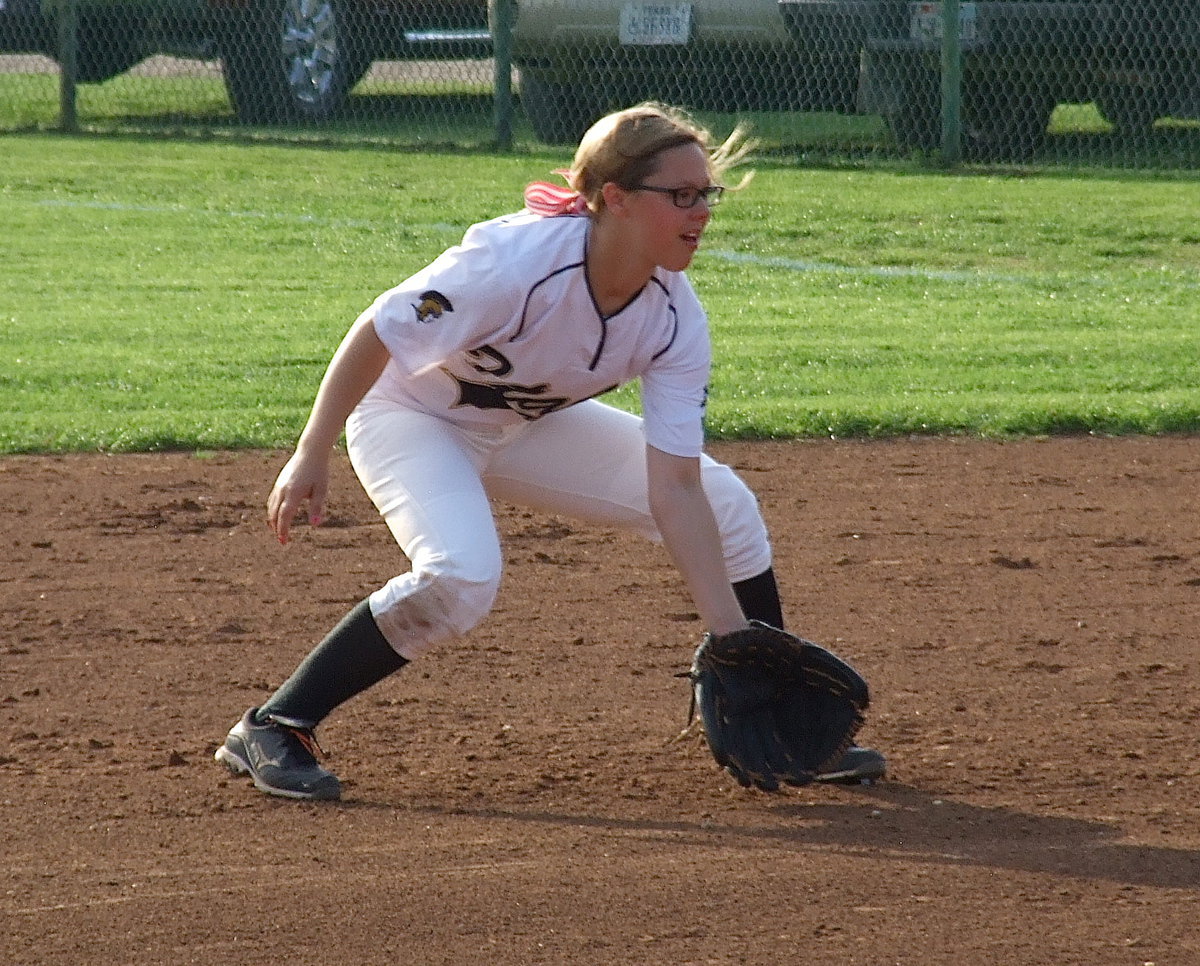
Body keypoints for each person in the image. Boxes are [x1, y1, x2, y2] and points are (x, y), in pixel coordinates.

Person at [214, 102, 885, 800]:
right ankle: (274, 724)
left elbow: (676, 490)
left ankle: (781, 716)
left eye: (706, 194)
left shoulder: (675, 318)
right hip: (409, 416)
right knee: (462, 578)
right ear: (616, 200)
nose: (702, 211)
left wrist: (732, 642)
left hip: (524, 426)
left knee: (726, 504)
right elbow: (378, 329)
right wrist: (310, 450)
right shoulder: (516, 262)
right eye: (681, 195)